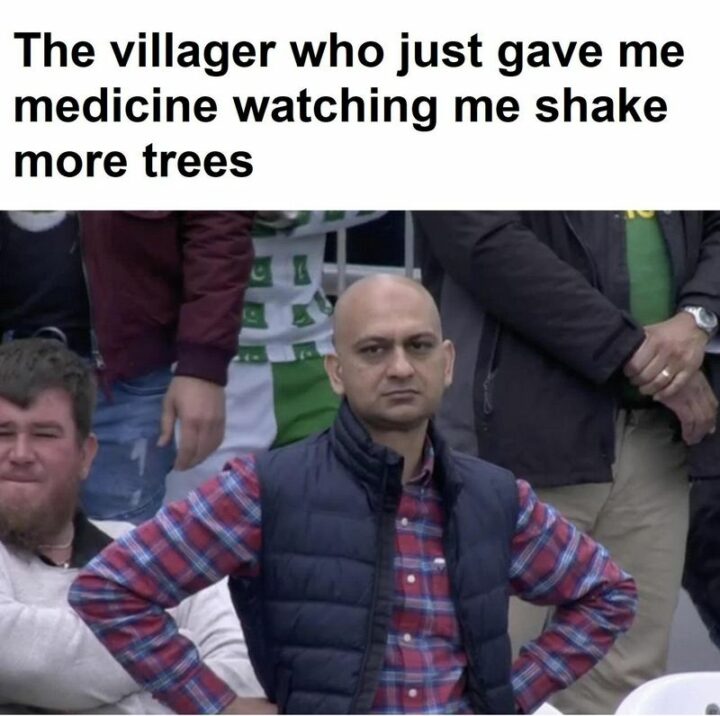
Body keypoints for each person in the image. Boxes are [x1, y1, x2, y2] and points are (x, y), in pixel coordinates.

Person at [70, 274, 636, 715]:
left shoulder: (493, 496)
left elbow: (608, 594)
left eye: (418, 346)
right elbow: (110, 589)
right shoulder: (267, 489)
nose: (400, 367)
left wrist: (506, 697)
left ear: (446, 363)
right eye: (373, 350)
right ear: (336, 372)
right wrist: (217, 705)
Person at [414, 210, 720, 713]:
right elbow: (485, 241)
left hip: (654, 437)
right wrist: (637, 353)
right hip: (517, 441)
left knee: (627, 687)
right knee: (485, 676)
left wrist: (698, 316)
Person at [0, 338, 262, 713]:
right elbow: (34, 663)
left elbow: (243, 670)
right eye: (3, 433)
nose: (20, 454)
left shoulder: (147, 546)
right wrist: (182, 656)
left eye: (44, 434)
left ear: (85, 454)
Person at [0, 210, 254, 523]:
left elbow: (217, 226)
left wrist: (203, 366)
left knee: (119, 542)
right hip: (10, 363)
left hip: (128, 375)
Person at [166, 210, 384, 501]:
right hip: (203, 365)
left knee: (339, 509)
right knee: (195, 520)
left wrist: (291, 210)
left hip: (313, 354)